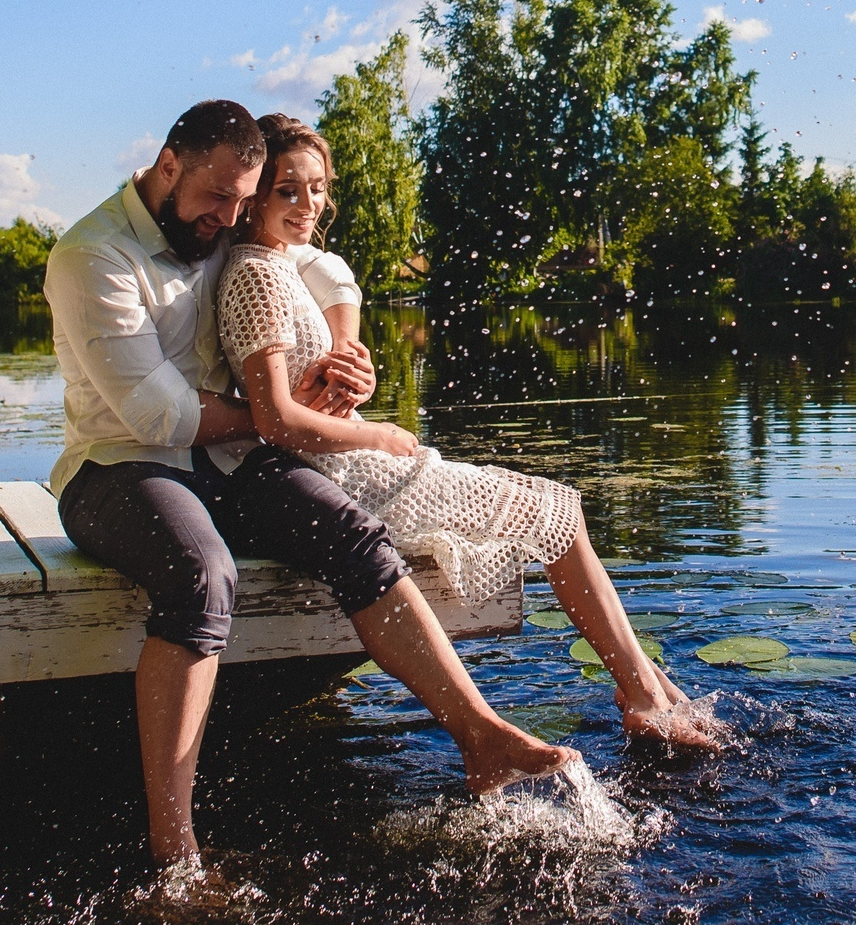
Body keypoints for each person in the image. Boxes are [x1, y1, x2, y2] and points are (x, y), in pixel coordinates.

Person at [46, 99, 572, 873]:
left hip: (225, 456)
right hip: (118, 465)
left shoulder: (219, 226)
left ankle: (481, 735)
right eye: (216, 198)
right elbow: (157, 414)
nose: (228, 217)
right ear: (167, 167)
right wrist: (278, 416)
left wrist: (347, 345)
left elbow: (315, 261)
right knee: (201, 574)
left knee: (356, 531)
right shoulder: (93, 254)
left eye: (239, 201)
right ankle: (175, 852)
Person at [219, 113, 722, 747]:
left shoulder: (284, 264)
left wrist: (351, 373)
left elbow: (320, 321)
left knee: (560, 512)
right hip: (345, 473)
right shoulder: (257, 276)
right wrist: (381, 434)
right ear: (255, 193)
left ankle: (650, 687)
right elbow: (274, 420)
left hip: (348, 463)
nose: (307, 205)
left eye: (317, 188)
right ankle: (644, 696)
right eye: (288, 190)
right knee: (560, 514)